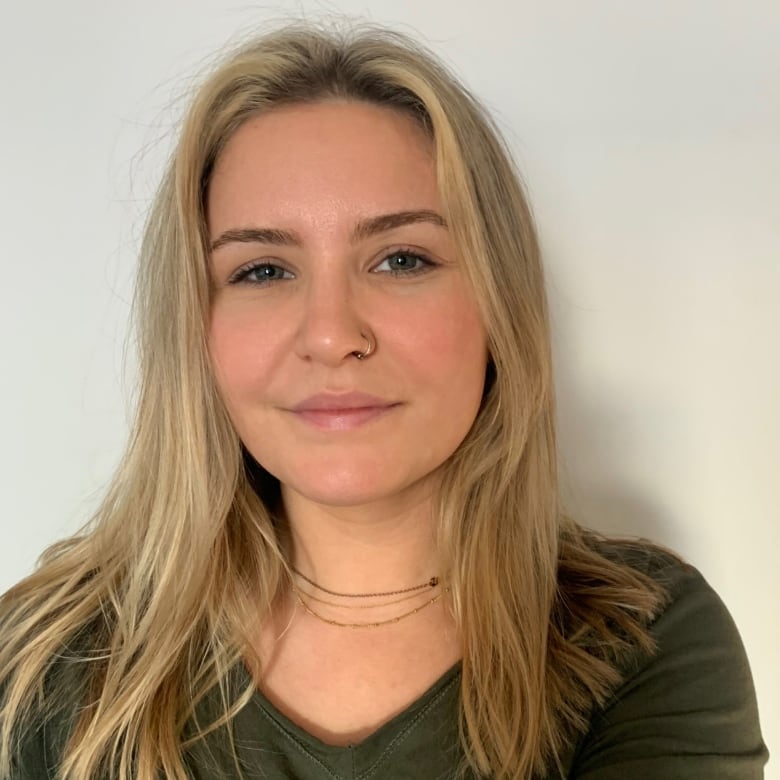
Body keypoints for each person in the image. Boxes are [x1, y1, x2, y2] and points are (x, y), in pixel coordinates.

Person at [0, 21, 768, 780]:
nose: (332, 335)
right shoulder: (51, 661)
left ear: (498, 306)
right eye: (262, 270)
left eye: (402, 259)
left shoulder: (639, 640)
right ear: (194, 327)